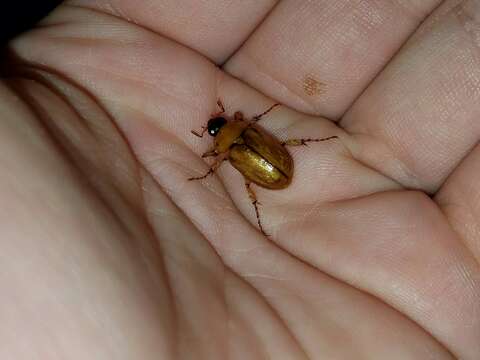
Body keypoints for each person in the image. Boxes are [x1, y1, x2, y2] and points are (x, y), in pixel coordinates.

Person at [0, 1, 478, 359]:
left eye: (216, 126)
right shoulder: (240, 134)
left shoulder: (230, 144)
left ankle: (261, 202)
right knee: (273, 162)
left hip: (270, 170)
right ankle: (260, 202)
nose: (216, 125)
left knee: (270, 163)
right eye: (217, 127)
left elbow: (239, 145)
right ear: (228, 128)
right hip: (271, 170)